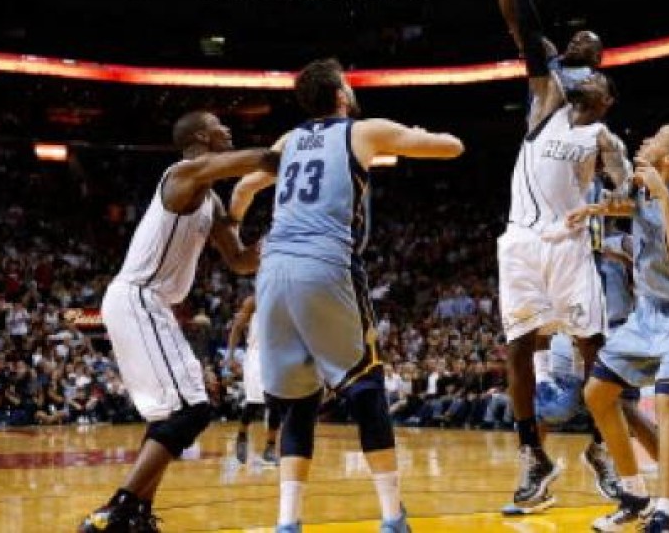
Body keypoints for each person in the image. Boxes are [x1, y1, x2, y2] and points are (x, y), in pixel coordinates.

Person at [250, 58, 464, 533]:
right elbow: (452, 148)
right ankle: (391, 516)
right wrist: (419, 133)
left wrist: (237, 237)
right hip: (324, 265)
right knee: (367, 385)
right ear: (342, 95)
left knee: (299, 401)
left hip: (272, 270)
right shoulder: (362, 131)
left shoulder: (286, 141)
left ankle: (288, 522)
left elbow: (246, 186)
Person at [483, 0, 631, 513]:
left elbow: (632, 200)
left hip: (570, 246)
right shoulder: (547, 90)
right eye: (577, 50)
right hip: (518, 241)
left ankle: (602, 446)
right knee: (518, 349)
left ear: (603, 79)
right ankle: (532, 457)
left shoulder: (604, 136)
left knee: (594, 347)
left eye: (591, 54)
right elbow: (524, 22)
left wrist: (606, 208)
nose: (581, 55)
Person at [78, 111, 277, 533]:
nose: (228, 129)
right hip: (138, 297)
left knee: (171, 415)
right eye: (221, 125)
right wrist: (303, 152)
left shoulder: (210, 198)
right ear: (203, 136)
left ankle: (136, 513)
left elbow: (240, 261)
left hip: (153, 305)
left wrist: (273, 241)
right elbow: (257, 159)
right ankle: (117, 510)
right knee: (192, 410)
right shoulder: (185, 173)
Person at [581, 124, 669, 533]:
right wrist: (594, 208)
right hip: (646, 313)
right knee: (598, 393)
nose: (646, 142)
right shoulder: (641, 190)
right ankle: (634, 493)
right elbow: (624, 206)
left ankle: (667, 509)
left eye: (655, 138)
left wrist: (661, 196)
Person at [227, 293, 280, 467]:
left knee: (275, 404)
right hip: (256, 355)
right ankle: (242, 436)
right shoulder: (253, 301)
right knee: (255, 402)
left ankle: (270, 448)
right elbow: (237, 327)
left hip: (277, 355)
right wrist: (230, 355)